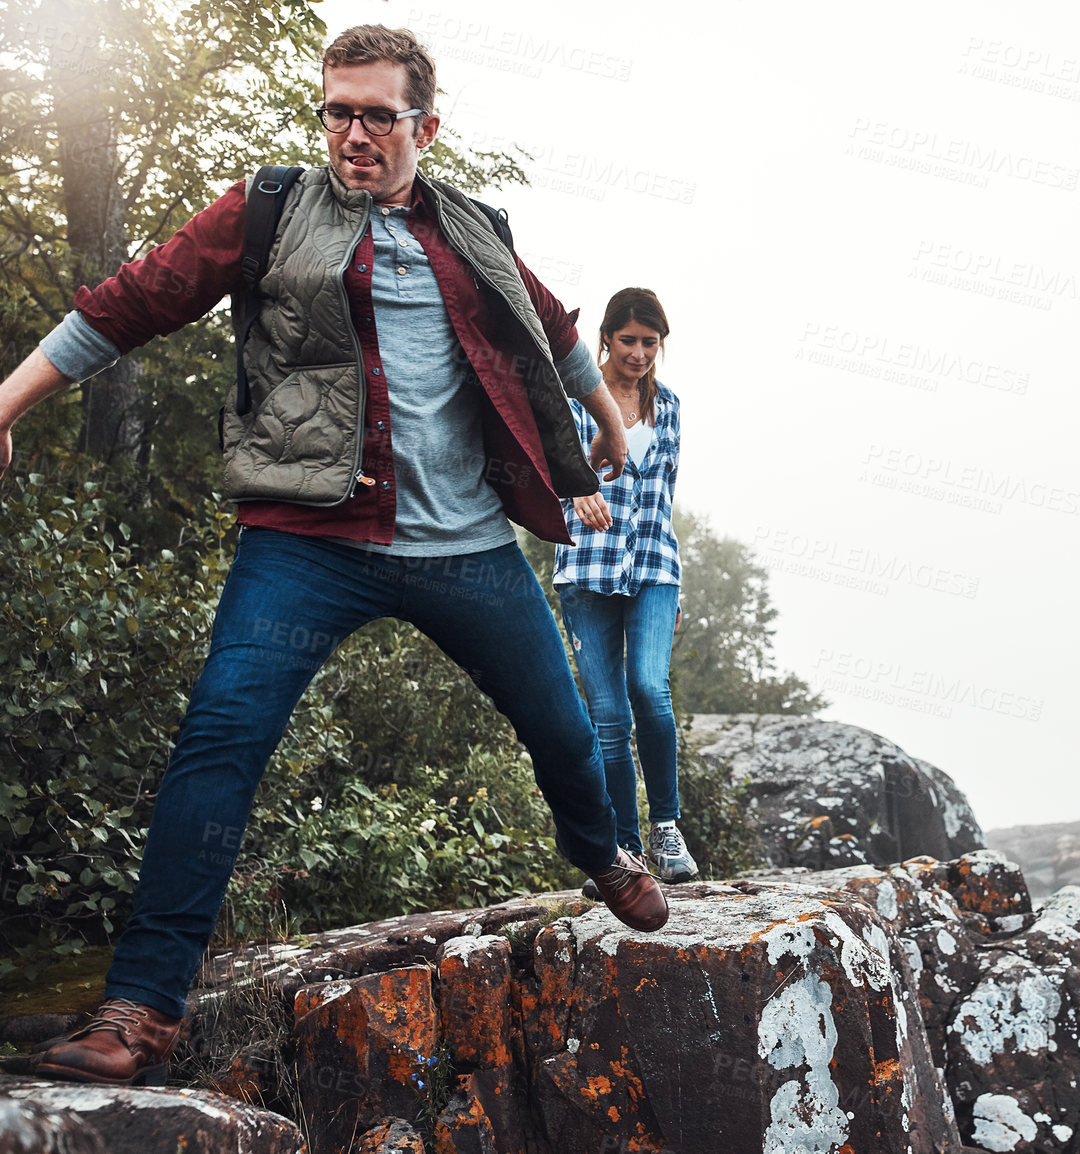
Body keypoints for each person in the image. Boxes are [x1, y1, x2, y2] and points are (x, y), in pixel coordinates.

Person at [0, 25, 669, 1088]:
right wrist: (9, 402)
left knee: (559, 725)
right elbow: (135, 299)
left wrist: (604, 417)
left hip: (465, 547)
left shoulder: (473, 227)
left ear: (424, 126)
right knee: (220, 737)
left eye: (377, 115)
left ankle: (605, 854)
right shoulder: (268, 209)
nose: (352, 134)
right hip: (309, 538)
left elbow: (548, 323)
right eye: (336, 111)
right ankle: (141, 1012)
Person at [554, 289, 696, 885]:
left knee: (649, 688)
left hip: (654, 570)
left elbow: (664, 498)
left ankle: (666, 828)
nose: (638, 352)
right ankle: (622, 850)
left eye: (650, 342)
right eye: (628, 340)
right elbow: (545, 473)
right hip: (587, 569)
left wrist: (676, 592)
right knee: (608, 717)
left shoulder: (671, 408)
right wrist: (575, 488)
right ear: (606, 338)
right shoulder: (571, 401)